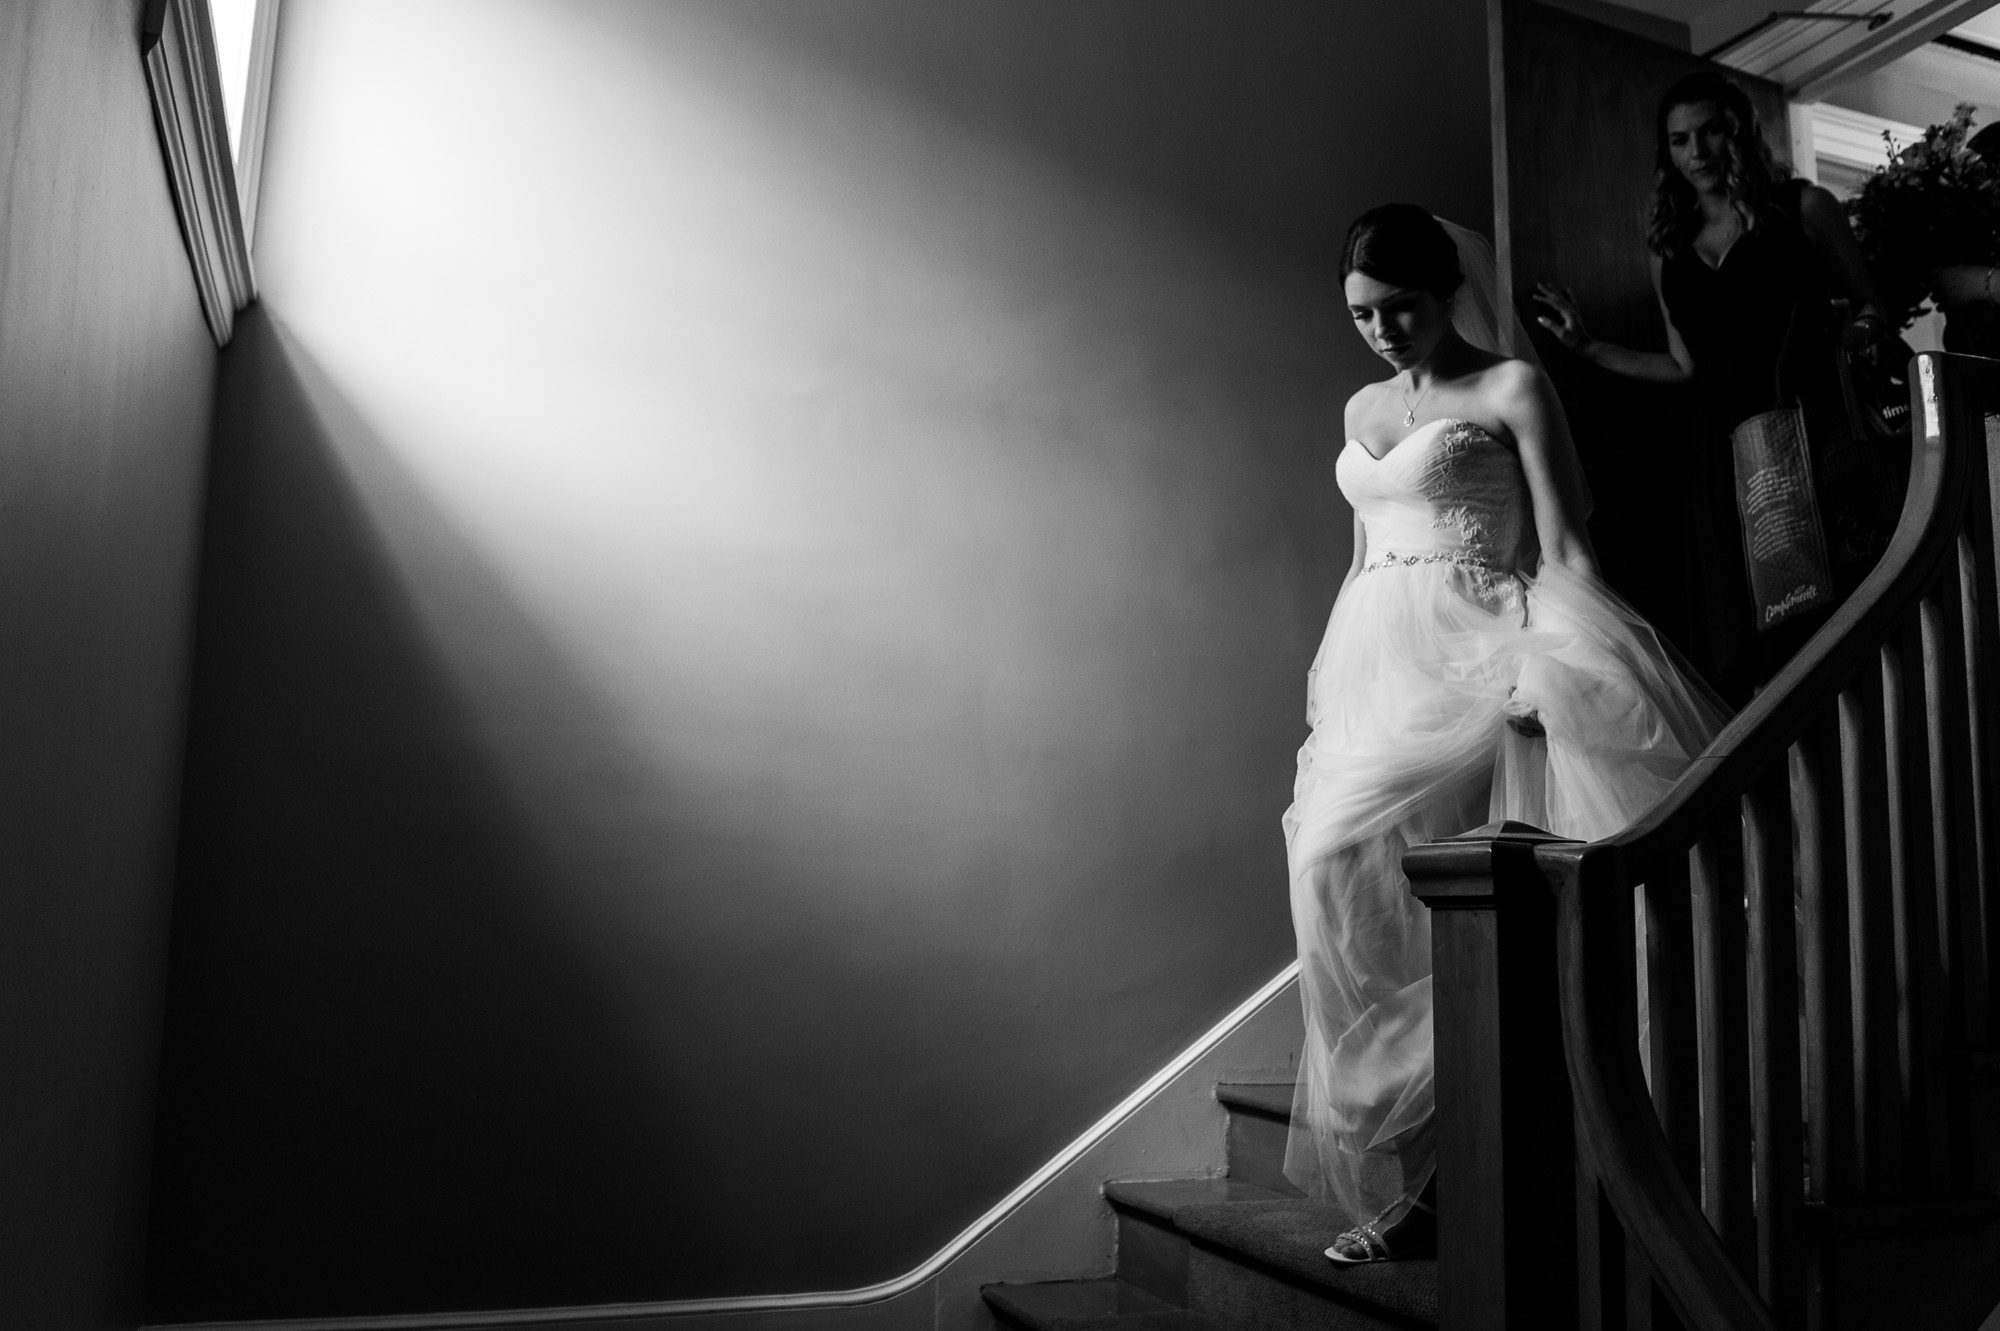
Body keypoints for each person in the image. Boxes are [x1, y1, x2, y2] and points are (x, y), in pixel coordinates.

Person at [1285, 203, 1726, 1263]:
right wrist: (1331, 690)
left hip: (1478, 650)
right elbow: (1364, 556)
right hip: (1371, 664)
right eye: (1360, 314)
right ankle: (1429, 1163)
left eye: (1400, 308)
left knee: (1465, 896)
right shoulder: (1360, 404)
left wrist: (1551, 664)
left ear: (1448, 293)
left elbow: (1566, 544)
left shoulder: (1509, 385)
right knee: (1336, 870)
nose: (1383, 331)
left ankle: (1462, 1176)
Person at [1531, 72, 1888, 706]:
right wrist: (1586, 346)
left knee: (1825, 613)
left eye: (1711, 131)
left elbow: (1870, 306)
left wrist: (1855, 333)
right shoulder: (1669, 246)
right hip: (1719, 454)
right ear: (1665, 151)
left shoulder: (1805, 210)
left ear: (1741, 131)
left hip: (1802, 431)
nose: (1697, 153)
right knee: (1747, 631)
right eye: (1679, 140)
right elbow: (1682, 365)